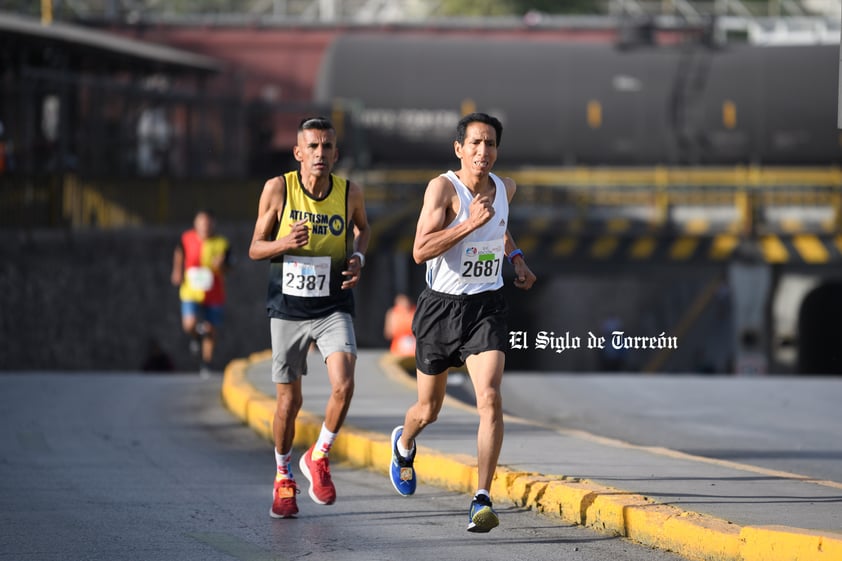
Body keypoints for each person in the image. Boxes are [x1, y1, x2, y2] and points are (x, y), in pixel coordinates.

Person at [389, 113, 536, 533]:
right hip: (440, 309)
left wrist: (516, 258)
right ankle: (404, 443)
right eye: (474, 143)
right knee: (428, 409)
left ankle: (482, 498)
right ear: (459, 149)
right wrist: (468, 223)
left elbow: (500, 226)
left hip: (486, 306)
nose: (482, 152)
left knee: (489, 397)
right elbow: (420, 250)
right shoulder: (442, 189)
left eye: (489, 144)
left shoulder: (506, 188)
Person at [248, 116, 370, 519]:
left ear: (336, 153)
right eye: (312, 147)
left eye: (327, 147)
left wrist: (358, 257)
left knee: (344, 383)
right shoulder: (278, 189)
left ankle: (318, 456)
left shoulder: (349, 192)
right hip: (288, 308)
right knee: (289, 400)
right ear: (298, 152)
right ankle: (283, 477)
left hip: (333, 305)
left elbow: (362, 230)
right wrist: (285, 241)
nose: (320, 154)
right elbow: (255, 248)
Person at [171, 209, 231, 375]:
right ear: (195, 224)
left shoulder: (222, 243)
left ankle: (207, 363)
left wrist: (221, 266)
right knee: (189, 323)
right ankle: (196, 337)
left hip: (214, 292)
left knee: (211, 329)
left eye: (208, 222)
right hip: (191, 290)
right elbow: (179, 252)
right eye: (201, 222)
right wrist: (177, 271)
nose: (205, 226)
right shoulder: (186, 238)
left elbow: (229, 266)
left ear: (213, 224)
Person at [383, 293, 416, 357]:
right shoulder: (393, 313)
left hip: (414, 351)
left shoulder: (415, 311)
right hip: (398, 350)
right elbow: (388, 333)